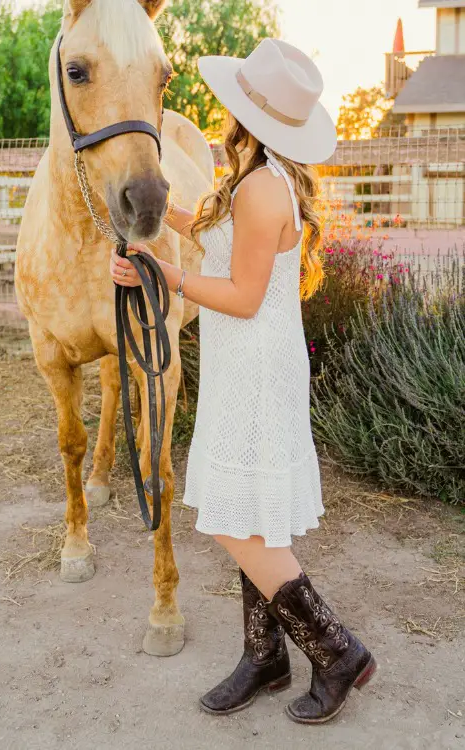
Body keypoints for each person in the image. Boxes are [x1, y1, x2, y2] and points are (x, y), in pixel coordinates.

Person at [110, 38, 376, 725]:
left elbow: (243, 295)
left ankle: (335, 649)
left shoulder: (261, 188)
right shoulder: (257, 179)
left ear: (245, 115)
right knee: (252, 511)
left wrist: (163, 276)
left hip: (255, 366)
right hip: (250, 363)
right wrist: (143, 221)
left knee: (235, 523)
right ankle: (265, 656)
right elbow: (206, 225)